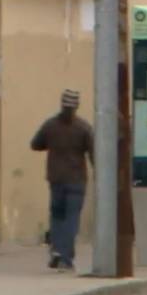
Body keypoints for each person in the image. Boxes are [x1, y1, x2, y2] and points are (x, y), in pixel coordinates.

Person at [31, 89, 94, 271]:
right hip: (76, 180)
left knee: (57, 216)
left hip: (56, 178)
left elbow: (35, 144)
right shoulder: (83, 128)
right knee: (71, 219)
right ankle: (65, 258)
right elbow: (93, 152)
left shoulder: (50, 125)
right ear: (76, 107)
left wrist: (52, 145)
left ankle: (57, 251)